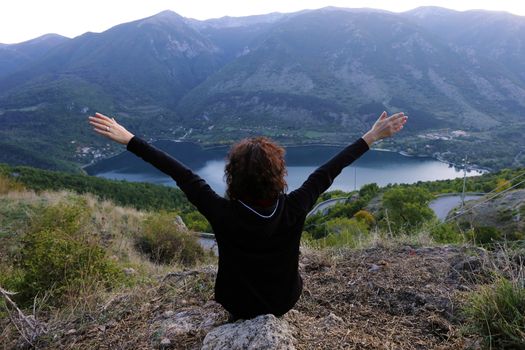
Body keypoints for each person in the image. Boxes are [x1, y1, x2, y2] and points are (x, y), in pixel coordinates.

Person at [88, 111, 407, 319]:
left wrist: (129, 139)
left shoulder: (221, 212)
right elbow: (329, 170)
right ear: (279, 174)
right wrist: (372, 136)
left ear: (232, 176)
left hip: (235, 303)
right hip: (284, 301)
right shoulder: (295, 206)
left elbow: (178, 171)